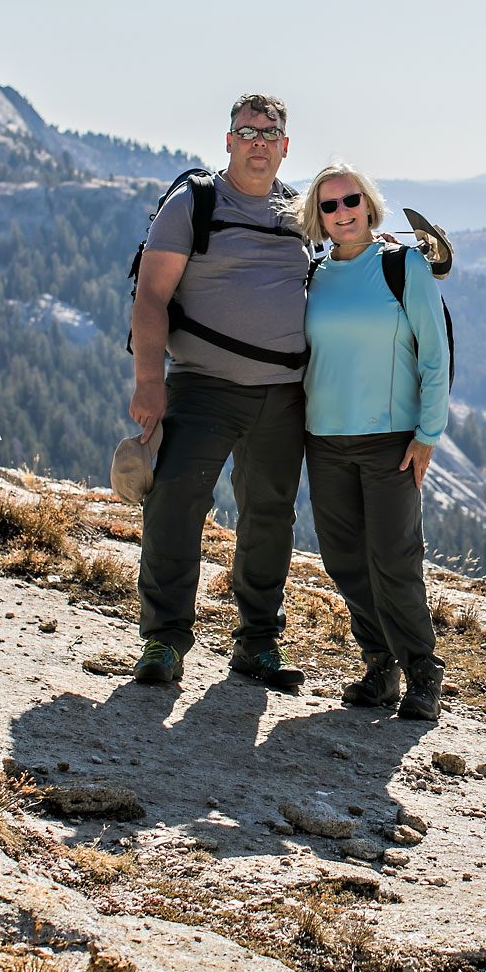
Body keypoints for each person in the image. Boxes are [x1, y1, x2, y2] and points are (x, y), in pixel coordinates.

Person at [127, 94, 311, 692]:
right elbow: (151, 295)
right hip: (203, 384)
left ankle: (257, 645)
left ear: (285, 146)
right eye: (247, 130)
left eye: (270, 131)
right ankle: (164, 639)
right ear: (227, 141)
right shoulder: (194, 202)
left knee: (269, 515)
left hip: (283, 393)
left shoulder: (301, 212)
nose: (259, 141)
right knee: (176, 499)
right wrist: (149, 383)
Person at [289, 162, 452, 720]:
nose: (342, 213)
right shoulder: (314, 276)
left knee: (394, 558)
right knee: (342, 558)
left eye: (350, 200)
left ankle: (423, 672)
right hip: (324, 438)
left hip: (390, 440)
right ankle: (380, 665)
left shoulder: (402, 266)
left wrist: (427, 434)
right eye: (329, 206)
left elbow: (434, 356)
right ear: (318, 216)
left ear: (368, 202)